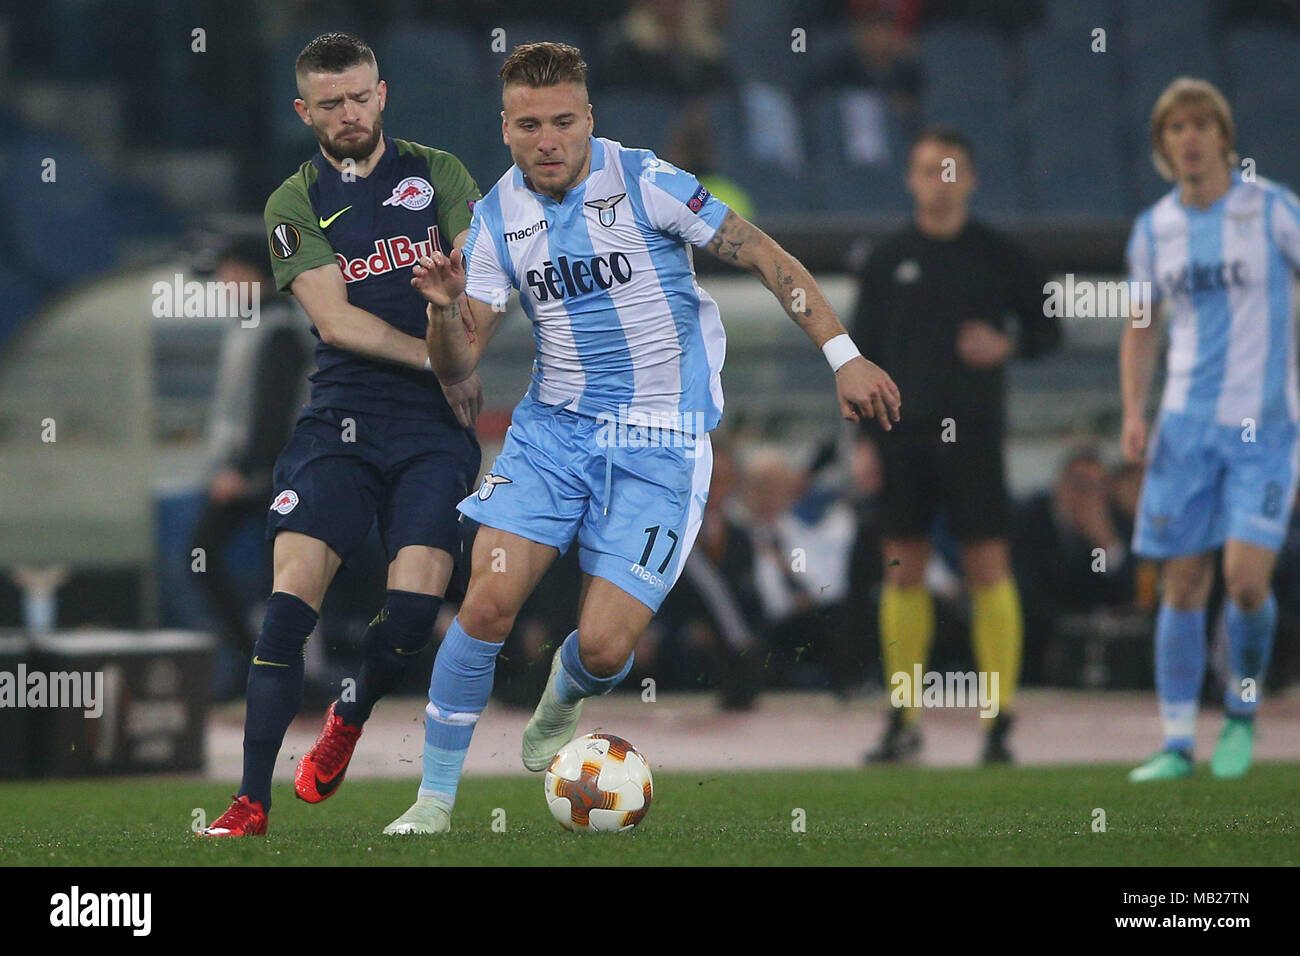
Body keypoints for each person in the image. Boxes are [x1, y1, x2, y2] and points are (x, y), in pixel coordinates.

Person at [383, 41, 900, 834]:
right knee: (485, 603)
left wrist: (845, 354)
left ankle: (567, 689)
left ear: (588, 118)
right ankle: (434, 799)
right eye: (530, 124)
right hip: (553, 436)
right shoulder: (493, 220)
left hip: (664, 440)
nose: (548, 139)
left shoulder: (644, 180)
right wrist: (444, 311)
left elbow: (760, 252)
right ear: (506, 128)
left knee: (604, 641)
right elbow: (458, 361)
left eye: (563, 121)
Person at [200, 33, 483, 837]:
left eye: (359, 97)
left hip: (433, 430)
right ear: (305, 111)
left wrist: (451, 329)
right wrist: (443, 360)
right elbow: (335, 320)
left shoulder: (440, 174)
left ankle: (353, 709)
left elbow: (478, 294)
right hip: (341, 419)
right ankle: (250, 801)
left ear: (383, 94)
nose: (348, 113)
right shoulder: (292, 201)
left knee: (410, 613)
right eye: (330, 104)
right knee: (287, 609)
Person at [850, 126, 1060, 765]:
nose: (937, 181)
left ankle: (998, 722)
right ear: (911, 179)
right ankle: (902, 720)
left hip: (974, 434)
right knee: (902, 568)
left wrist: (1009, 345)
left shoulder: (1001, 255)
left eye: (950, 169)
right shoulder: (888, 259)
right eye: (925, 169)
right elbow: (861, 357)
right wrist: (864, 440)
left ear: (969, 178)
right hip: (900, 434)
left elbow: (1050, 329)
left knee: (987, 567)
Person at [1121, 77, 1300, 782]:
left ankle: (1242, 713)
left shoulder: (1276, 211)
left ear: (1225, 136)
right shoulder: (1152, 229)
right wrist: (1135, 410)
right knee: (1182, 583)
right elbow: (1141, 327)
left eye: (1201, 125)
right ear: (1163, 145)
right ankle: (1174, 743)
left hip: (1267, 430)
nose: (1190, 138)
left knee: (1247, 583)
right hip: (1184, 430)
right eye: (1175, 128)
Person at [191, 236, 313, 702]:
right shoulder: (253, 325)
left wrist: (246, 470)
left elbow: (273, 410)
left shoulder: (278, 329)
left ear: (255, 274)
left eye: (230, 273)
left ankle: (277, 670)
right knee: (272, 576)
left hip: (273, 475)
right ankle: (260, 663)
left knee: (274, 575)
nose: (224, 283)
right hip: (254, 472)